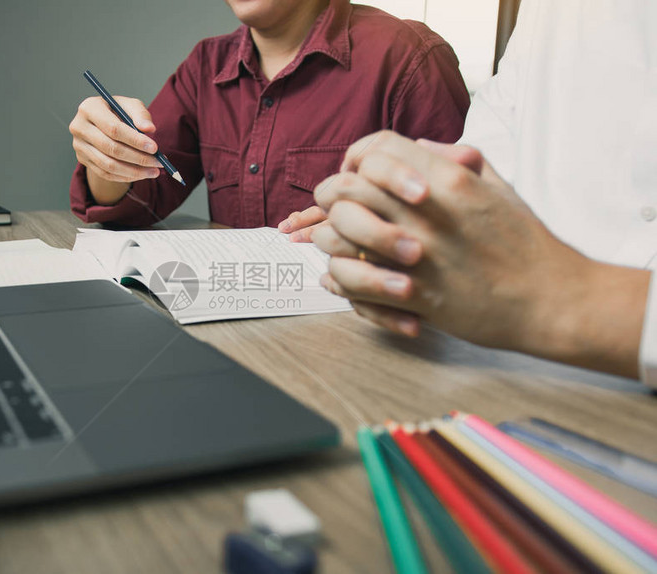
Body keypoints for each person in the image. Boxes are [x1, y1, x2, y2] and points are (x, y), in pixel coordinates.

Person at [311, 0, 657, 386]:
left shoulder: (404, 50)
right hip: (509, 377)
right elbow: (484, 157)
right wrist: (394, 217)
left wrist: (554, 298)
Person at [69, 0, 469, 235]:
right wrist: (107, 154)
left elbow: (463, 226)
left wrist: (375, 230)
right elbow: (135, 205)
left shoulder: (408, 58)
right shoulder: (204, 66)